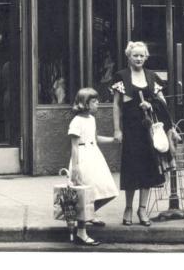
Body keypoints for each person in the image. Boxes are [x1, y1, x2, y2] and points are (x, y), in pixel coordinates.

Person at [112, 41, 175, 226]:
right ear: (128, 57)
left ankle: (142, 209)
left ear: (146, 57)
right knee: (132, 168)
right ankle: (129, 208)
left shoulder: (152, 77)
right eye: (135, 55)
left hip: (149, 131)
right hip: (131, 129)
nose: (138, 58)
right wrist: (117, 129)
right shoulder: (121, 76)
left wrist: (151, 103)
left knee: (148, 168)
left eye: (142, 55)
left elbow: (163, 104)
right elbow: (116, 105)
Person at [68, 87, 119, 246]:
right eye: (94, 101)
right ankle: (81, 233)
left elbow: (95, 138)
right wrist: (75, 167)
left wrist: (113, 140)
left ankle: (88, 214)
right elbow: (74, 146)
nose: (98, 103)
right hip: (82, 158)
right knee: (85, 195)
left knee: (107, 190)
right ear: (85, 103)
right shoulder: (76, 121)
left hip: (95, 156)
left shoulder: (91, 119)